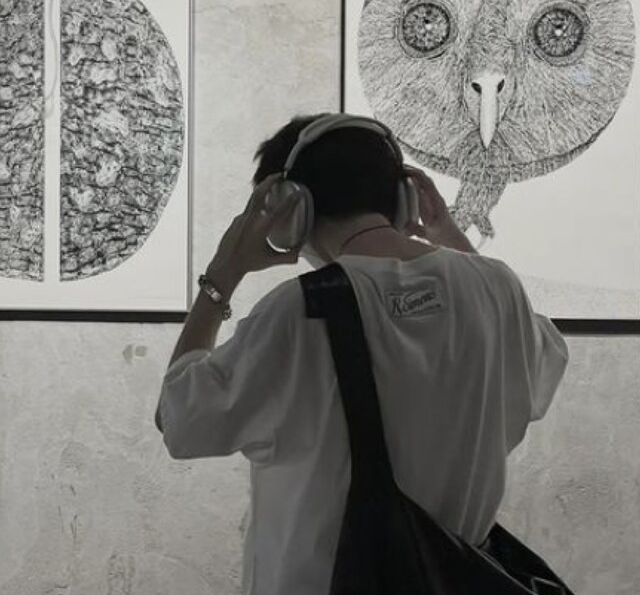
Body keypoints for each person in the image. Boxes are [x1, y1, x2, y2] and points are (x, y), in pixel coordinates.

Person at [155, 113, 569, 595]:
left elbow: (179, 420)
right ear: (404, 198)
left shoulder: (300, 311)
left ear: (293, 208)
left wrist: (221, 277)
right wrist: (450, 239)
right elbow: (544, 364)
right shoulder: (497, 290)